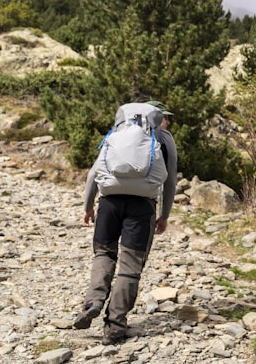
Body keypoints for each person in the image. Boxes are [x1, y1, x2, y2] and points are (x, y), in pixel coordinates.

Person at [73, 100, 178, 345]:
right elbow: (170, 180)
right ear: (154, 116)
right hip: (142, 207)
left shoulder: (117, 134)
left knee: (103, 255)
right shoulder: (164, 138)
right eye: (165, 116)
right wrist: (165, 214)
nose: (168, 121)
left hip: (109, 203)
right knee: (130, 268)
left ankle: (93, 302)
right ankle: (115, 327)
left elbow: (93, 172)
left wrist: (88, 206)